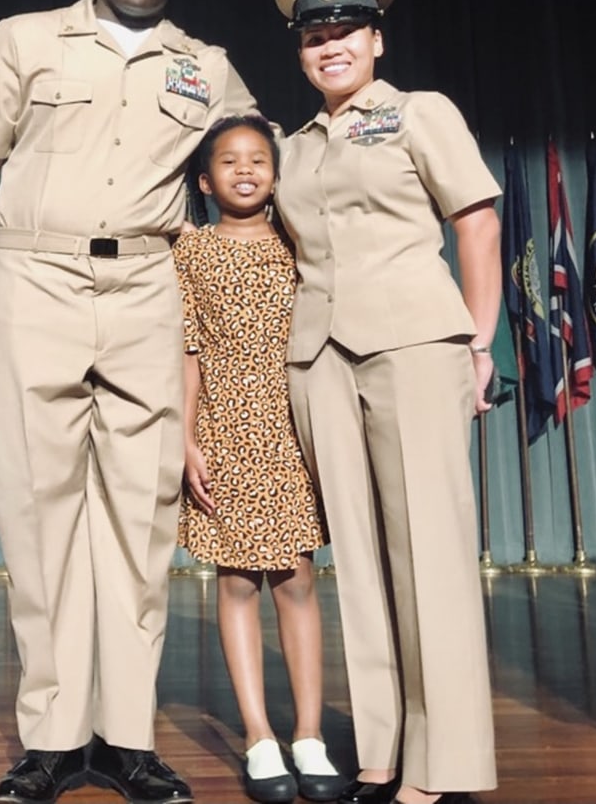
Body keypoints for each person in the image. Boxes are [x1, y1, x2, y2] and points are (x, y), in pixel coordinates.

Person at [0, 0, 261, 804]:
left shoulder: (208, 65)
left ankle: (125, 736)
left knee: (140, 515)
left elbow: (249, 168)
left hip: (150, 287)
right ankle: (49, 739)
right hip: (36, 275)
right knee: (37, 512)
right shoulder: (26, 38)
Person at [271, 0, 502, 804]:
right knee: (360, 563)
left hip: (412, 344)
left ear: (375, 38)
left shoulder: (419, 113)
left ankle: (446, 765)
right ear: (302, 53)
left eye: (343, 33)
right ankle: (382, 749)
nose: (329, 47)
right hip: (319, 356)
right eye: (315, 37)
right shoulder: (292, 149)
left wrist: (478, 343)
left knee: (428, 556)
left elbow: (475, 224)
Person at [173, 115, 346, 804]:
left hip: (293, 427)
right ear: (204, 179)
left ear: (277, 173)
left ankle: (309, 734)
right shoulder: (190, 252)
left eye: (258, 159)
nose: (244, 170)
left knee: (297, 580)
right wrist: (185, 439)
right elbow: (185, 353)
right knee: (239, 580)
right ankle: (258, 734)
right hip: (225, 431)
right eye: (229, 161)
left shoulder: (299, 243)